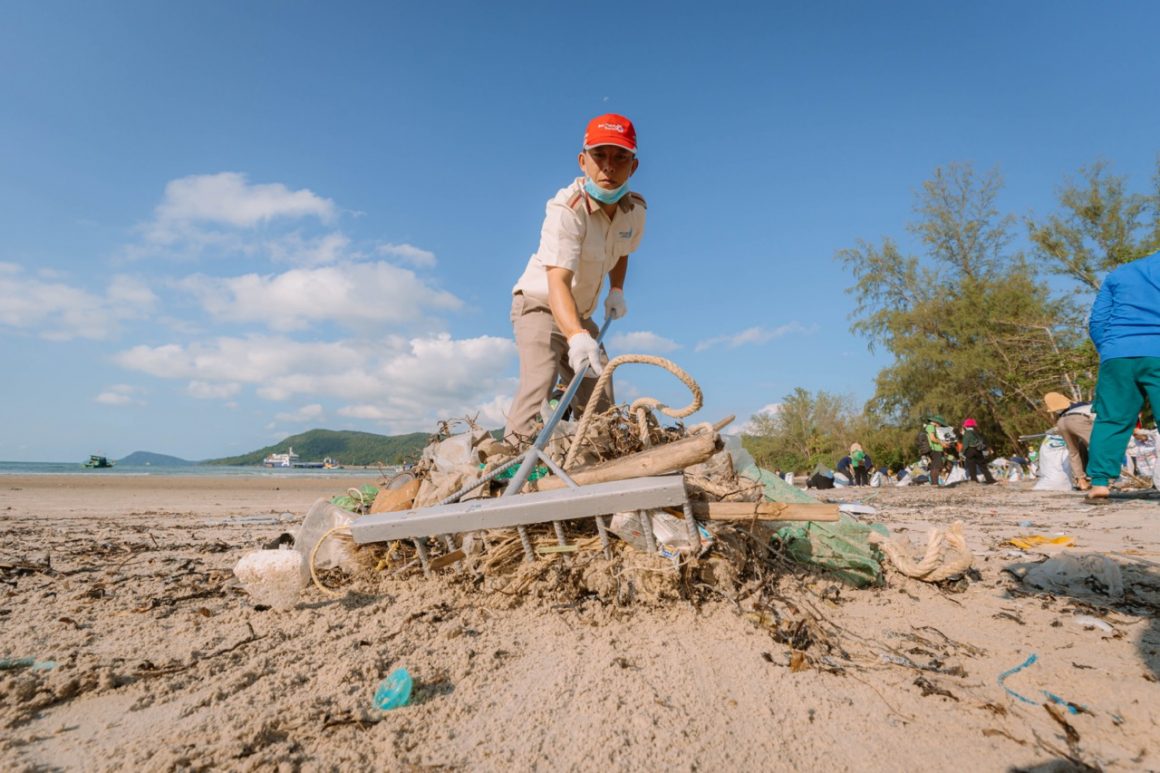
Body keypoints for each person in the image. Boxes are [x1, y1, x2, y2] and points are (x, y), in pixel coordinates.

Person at [504, 114, 647, 446]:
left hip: (581, 313)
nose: (608, 167)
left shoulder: (635, 211)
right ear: (584, 161)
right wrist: (576, 337)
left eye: (619, 157)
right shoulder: (567, 209)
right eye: (600, 156)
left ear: (633, 166)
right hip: (540, 303)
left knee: (600, 396)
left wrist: (616, 290)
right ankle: (510, 461)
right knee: (540, 380)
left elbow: (623, 248)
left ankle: (594, 461)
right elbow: (557, 283)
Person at [1085, 251, 1160, 499]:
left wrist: (1108, 350)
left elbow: (1097, 320)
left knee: (1112, 419)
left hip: (1117, 352)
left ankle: (1099, 484)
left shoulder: (1121, 273)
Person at [1044, 391, 1094, 491]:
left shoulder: (1061, 413)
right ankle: (1103, 479)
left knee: (1073, 452)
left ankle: (1081, 481)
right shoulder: (1083, 404)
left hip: (1061, 423)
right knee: (1096, 447)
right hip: (1079, 419)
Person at [959, 418, 996, 484]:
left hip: (970, 450)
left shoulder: (967, 433)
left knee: (971, 466)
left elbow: (965, 444)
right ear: (973, 425)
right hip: (978, 450)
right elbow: (982, 441)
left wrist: (961, 453)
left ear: (966, 426)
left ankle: (974, 480)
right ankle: (990, 479)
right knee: (983, 466)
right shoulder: (976, 432)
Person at [921, 415, 951, 485]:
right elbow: (932, 438)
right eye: (940, 424)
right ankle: (935, 484)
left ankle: (934, 483)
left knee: (934, 466)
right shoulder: (931, 427)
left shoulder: (930, 427)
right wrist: (942, 443)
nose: (940, 425)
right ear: (936, 422)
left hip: (935, 449)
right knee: (936, 467)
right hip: (935, 450)